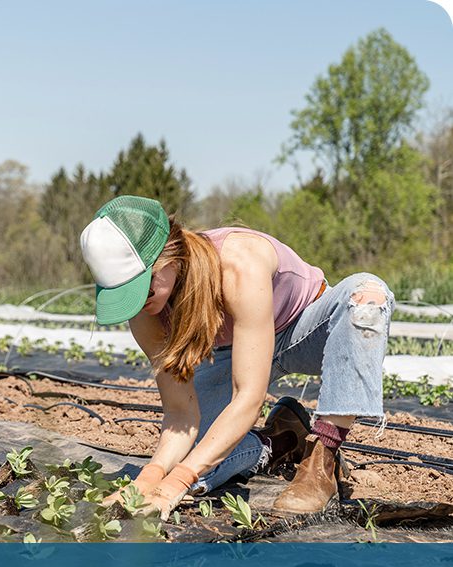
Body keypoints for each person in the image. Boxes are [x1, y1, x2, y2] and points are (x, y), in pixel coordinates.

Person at [78, 195, 393, 519]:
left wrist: (177, 482)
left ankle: (322, 458)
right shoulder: (145, 313)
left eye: (142, 287)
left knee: (367, 296)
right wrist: (151, 477)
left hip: (305, 330)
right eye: (124, 295)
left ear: (168, 255)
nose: (138, 303)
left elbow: (248, 398)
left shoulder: (238, 263)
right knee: (197, 461)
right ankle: (279, 440)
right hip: (236, 351)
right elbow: (181, 413)